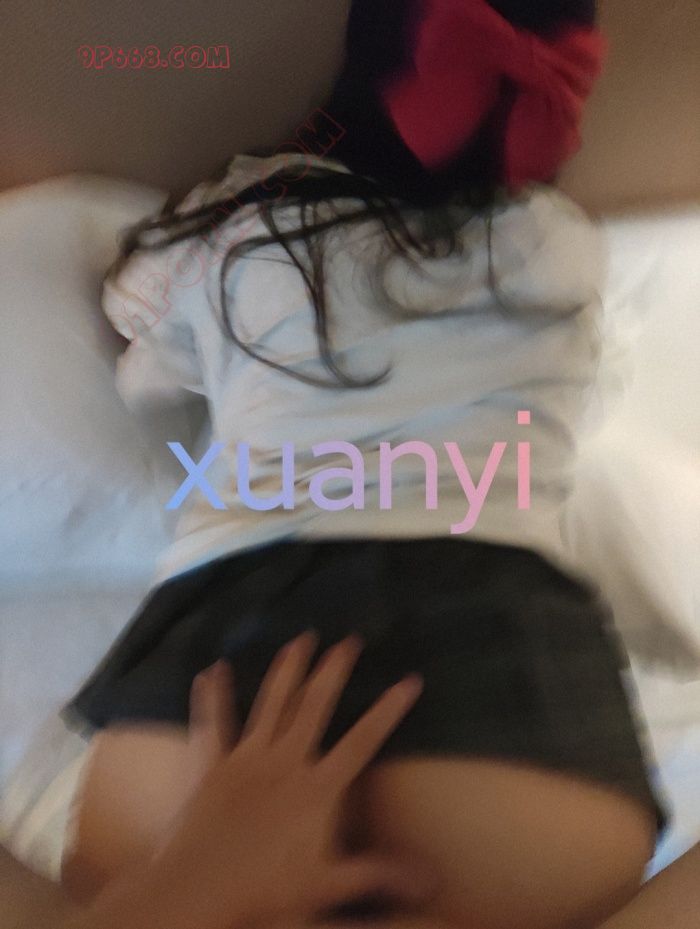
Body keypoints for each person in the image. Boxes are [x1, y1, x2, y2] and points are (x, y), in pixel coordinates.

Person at [59, 2, 669, 927]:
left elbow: (138, 343)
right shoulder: (560, 242)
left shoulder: (244, 222)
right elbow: (582, 381)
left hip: (228, 628)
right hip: (501, 633)